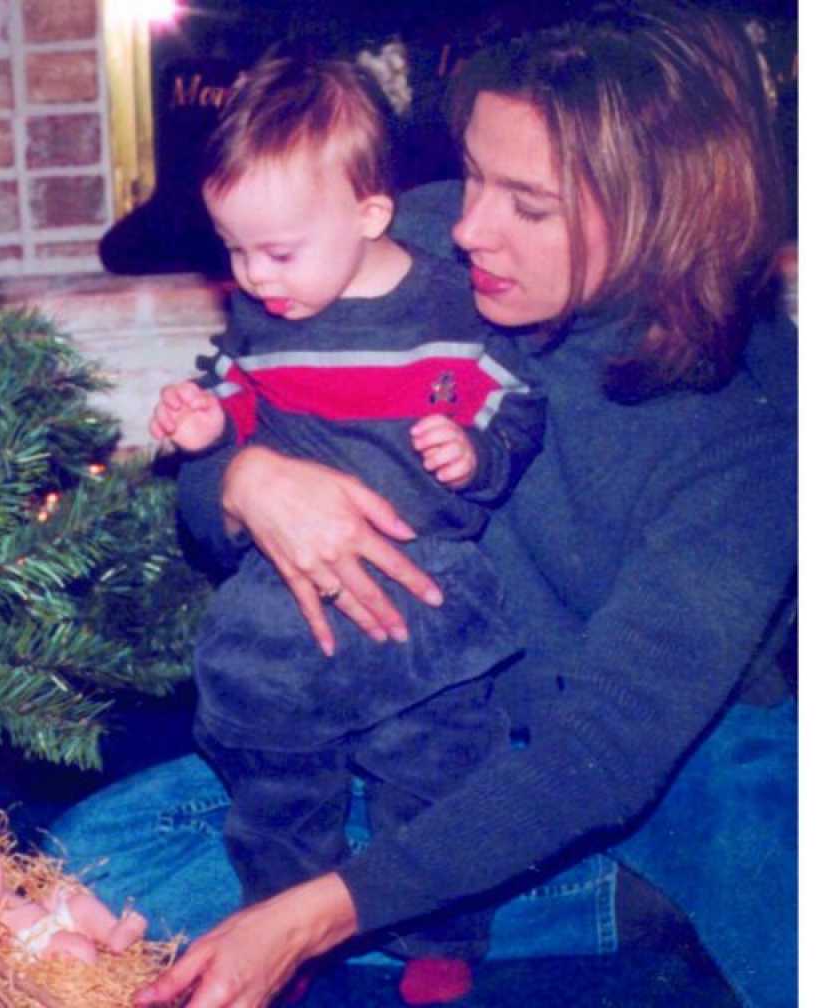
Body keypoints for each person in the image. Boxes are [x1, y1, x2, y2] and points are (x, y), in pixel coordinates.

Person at [46, 4, 796, 1008]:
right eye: (476, 171)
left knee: (165, 905)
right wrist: (240, 478)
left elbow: (603, 758)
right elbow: (245, 392)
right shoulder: (409, 236)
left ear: (662, 213)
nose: (468, 222)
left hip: (607, 797)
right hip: (401, 710)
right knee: (83, 861)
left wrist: (309, 918)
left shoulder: (749, 439)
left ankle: (620, 910)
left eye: (527, 203)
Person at [148, 55, 543, 1006]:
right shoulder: (269, 315)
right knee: (271, 777)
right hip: (284, 616)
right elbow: (236, 399)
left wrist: (474, 454)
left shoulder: (452, 308)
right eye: (235, 252)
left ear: (371, 214)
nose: (254, 278)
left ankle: (440, 932)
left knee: (439, 761)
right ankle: (281, 922)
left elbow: (518, 404)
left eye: (278, 252)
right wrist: (210, 431)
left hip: (421, 603)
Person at [0, 809, 148, 963]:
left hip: (48, 920)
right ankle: (90, 958)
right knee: (80, 948)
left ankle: (113, 934)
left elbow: (17, 902)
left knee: (80, 903)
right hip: (32, 944)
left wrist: (46, 904)